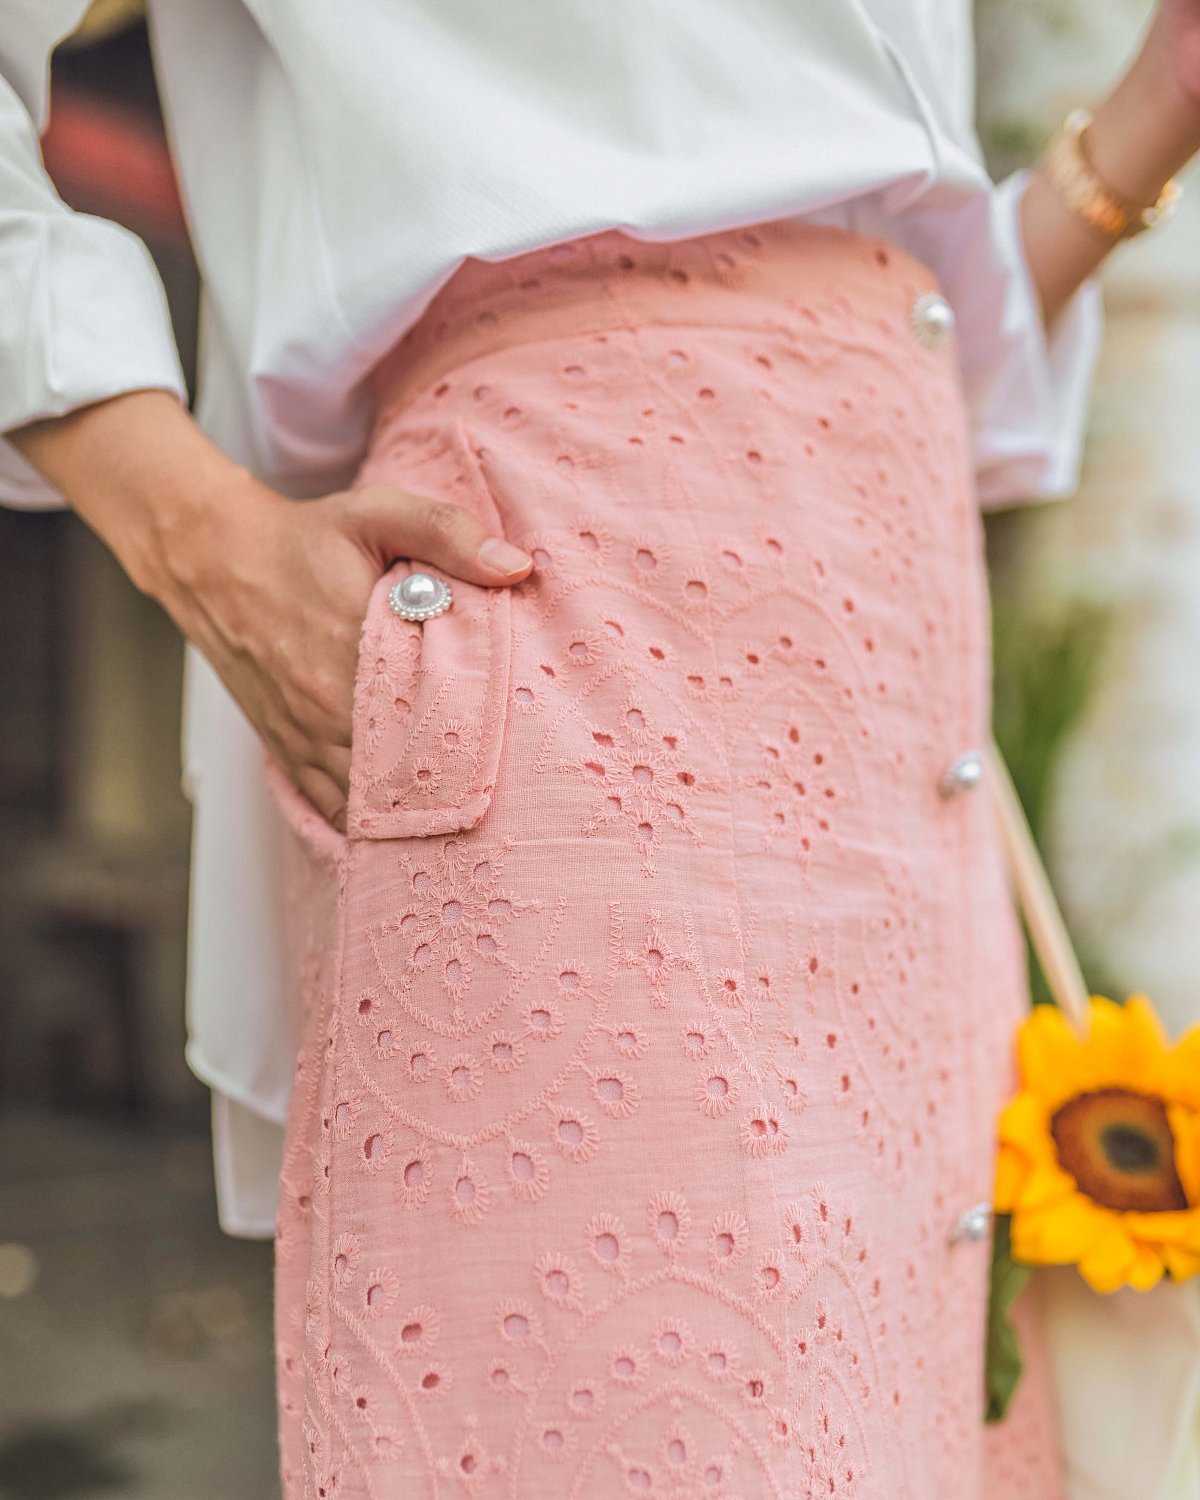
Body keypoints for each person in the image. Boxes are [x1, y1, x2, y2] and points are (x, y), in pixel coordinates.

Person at [3, 2, 1198, 1495]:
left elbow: (850, 291)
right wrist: (190, 525)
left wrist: (1160, 104)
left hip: (894, 714)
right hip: (561, 637)